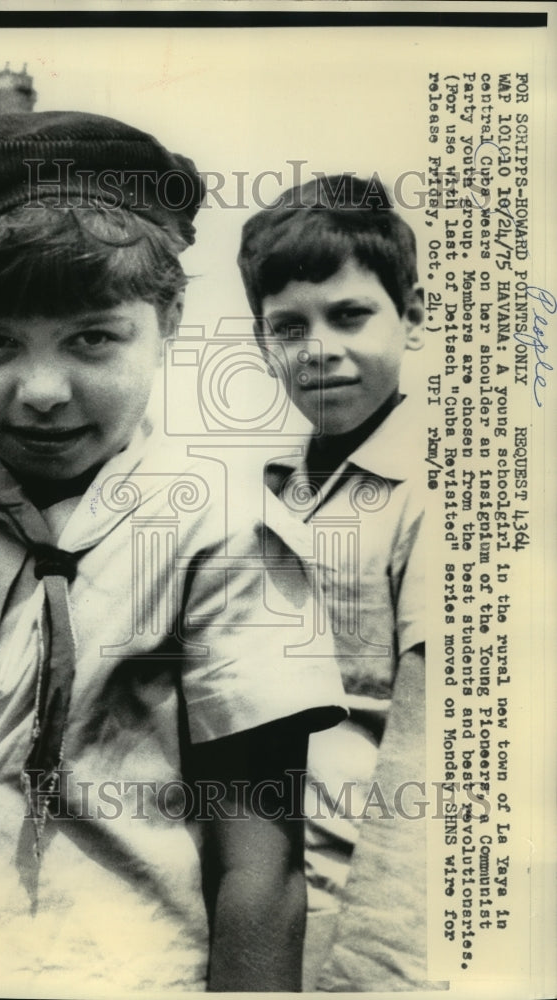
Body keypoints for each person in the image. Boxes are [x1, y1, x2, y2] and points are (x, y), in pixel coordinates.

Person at [0, 111, 346, 995]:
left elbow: (262, 874)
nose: (42, 391)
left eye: (92, 337)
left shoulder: (226, 532)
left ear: (164, 324)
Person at [237, 175, 428, 989]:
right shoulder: (261, 485)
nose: (318, 348)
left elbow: (430, 760)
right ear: (261, 340)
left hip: (357, 911)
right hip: (249, 893)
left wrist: (368, 975)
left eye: (350, 315)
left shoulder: (440, 485)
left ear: (413, 314)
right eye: (289, 326)